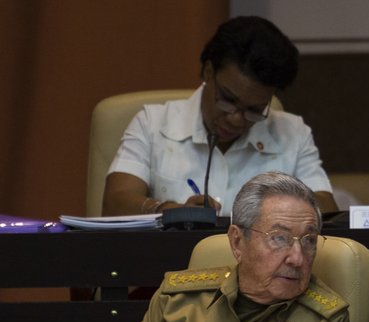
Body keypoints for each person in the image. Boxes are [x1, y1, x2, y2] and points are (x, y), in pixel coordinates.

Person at [91, 172, 349, 322]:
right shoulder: (178, 298)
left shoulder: (324, 321)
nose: (297, 258)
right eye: (279, 239)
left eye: (309, 241)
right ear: (237, 242)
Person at [102, 16, 338, 217]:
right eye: (227, 100)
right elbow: (115, 202)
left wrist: (265, 215)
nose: (236, 119)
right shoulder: (152, 124)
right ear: (208, 72)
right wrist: (171, 212)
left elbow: (327, 209)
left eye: (254, 110)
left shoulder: (293, 133)